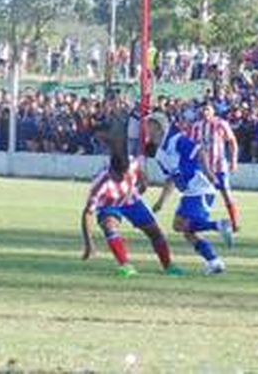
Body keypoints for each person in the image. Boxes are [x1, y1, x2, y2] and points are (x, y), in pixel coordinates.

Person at [80, 116, 184, 277]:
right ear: (111, 171)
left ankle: (168, 265)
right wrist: (89, 244)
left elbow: (141, 175)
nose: (122, 178)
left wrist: (143, 185)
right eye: (118, 177)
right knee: (109, 225)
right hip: (109, 204)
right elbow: (87, 214)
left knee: (155, 232)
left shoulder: (131, 164)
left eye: (124, 175)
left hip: (131, 200)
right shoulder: (100, 185)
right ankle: (125, 265)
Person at [149, 113, 234, 275]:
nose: (147, 130)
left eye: (150, 126)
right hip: (189, 192)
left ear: (159, 127)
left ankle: (218, 226)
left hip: (200, 187)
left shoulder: (176, 139)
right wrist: (161, 201)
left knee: (183, 226)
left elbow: (199, 151)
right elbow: (171, 179)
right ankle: (214, 262)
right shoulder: (159, 153)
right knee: (182, 228)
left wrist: (209, 172)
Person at [191, 103, 241, 232]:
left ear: (213, 111)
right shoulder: (196, 126)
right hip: (202, 169)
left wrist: (233, 160)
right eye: (203, 109)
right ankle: (199, 221)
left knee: (226, 194)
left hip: (219, 167)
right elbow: (192, 146)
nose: (205, 112)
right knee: (200, 195)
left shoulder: (221, 124)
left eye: (207, 109)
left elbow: (232, 141)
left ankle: (235, 223)